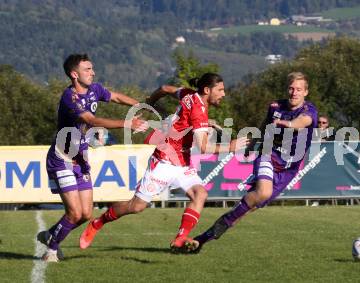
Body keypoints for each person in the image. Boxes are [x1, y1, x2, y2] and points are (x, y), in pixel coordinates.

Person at [79, 73, 248, 252]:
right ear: (207, 90)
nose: (223, 94)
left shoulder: (189, 94)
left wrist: (150, 102)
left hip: (182, 162)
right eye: (220, 90)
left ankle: (180, 240)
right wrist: (231, 146)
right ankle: (99, 222)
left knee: (200, 194)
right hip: (164, 161)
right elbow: (204, 147)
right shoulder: (199, 110)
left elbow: (165, 89)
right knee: (136, 207)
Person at [183, 71, 318, 253]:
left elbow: (303, 122)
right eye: (291, 88)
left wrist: (288, 124)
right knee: (263, 192)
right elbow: (264, 126)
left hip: (289, 169)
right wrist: (253, 143)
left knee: (244, 211)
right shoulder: (276, 107)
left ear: (306, 92)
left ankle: (201, 240)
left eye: (299, 89)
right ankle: (241, 205)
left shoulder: (309, 111)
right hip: (268, 155)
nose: (294, 92)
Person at [38, 54, 148, 262]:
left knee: (86, 214)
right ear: (74, 74)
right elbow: (92, 119)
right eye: (87, 69)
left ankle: (49, 234)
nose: (93, 72)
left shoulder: (94, 90)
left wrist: (139, 105)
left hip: (80, 160)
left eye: (92, 69)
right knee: (74, 213)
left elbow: (115, 97)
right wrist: (127, 123)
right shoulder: (69, 98)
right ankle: (51, 250)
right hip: (62, 159)